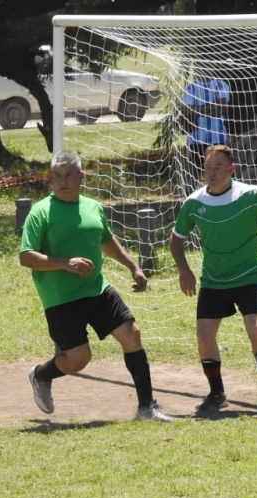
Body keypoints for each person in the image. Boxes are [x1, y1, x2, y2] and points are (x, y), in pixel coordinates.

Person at [21, 150, 174, 422]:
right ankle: (41, 375)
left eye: (69, 175)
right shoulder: (40, 212)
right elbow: (26, 256)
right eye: (57, 176)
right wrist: (64, 263)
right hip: (61, 298)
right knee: (79, 359)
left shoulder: (93, 207)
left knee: (132, 333)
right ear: (51, 179)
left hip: (97, 289)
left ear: (81, 177)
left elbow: (106, 239)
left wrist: (133, 266)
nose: (62, 182)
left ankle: (146, 408)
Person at [169, 145, 257, 415]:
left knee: (255, 327)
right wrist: (184, 270)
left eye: (218, 167)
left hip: (248, 278)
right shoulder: (194, 203)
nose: (211, 172)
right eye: (208, 167)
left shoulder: (251, 196)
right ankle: (217, 394)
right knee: (204, 335)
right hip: (213, 282)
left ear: (231, 169)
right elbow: (175, 241)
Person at [182, 70, 230, 170]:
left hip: (218, 139)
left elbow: (220, 109)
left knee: (219, 172)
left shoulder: (222, 85)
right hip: (196, 140)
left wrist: (195, 110)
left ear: (214, 66)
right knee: (192, 174)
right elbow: (186, 110)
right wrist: (212, 108)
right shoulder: (190, 88)